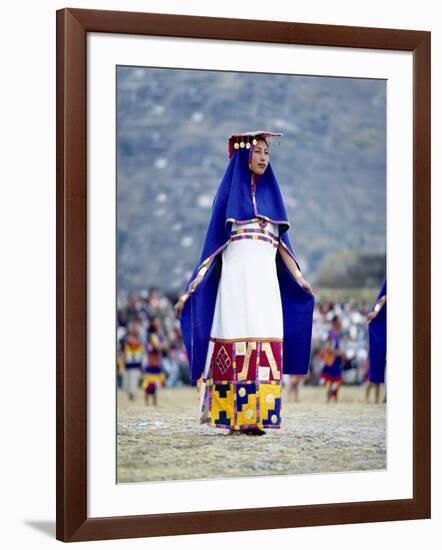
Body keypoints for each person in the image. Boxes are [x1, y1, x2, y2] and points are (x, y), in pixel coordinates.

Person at [175, 130, 315, 435]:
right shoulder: (227, 200)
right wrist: (196, 281)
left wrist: (300, 279)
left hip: (266, 286)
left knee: (263, 342)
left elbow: (283, 247)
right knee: (236, 340)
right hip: (236, 287)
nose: (264, 157)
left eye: (268, 152)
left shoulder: (273, 206)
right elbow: (212, 246)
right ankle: (233, 418)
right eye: (259, 151)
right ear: (244, 155)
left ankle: (256, 417)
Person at [366, 279, 387, 404]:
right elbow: (383, 297)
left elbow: (383, 297)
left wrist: (376, 311)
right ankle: (372, 399)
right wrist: (376, 311)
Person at [319, 315, 345, 402]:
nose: (340, 322)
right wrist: (339, 353)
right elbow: (328, 348)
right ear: (335, 323)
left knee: (335, 380)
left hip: (336, 359)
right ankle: (331, 397)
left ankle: (332, 397)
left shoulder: (338, 333)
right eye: (339, 321)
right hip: (332, 359)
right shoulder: (332, 334)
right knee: (335, 380)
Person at [143, 317, 167, 405]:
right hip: (151, 362)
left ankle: (154, 401)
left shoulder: (159, 334)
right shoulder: (150, 335)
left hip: (157, 362)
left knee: (156, 384)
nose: (158, 323)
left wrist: (160, 346)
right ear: (152, 323)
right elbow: (157, 347)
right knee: (149, 384)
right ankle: (147, 402)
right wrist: (160, 346)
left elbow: (165, 346)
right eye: (156, 322)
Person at [119, 322, 144, 401]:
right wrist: (122, 362)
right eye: (134, 329)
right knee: (126, 383)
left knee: (133, 380)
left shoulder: (140, 340)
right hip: (128, 363)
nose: (136, 331)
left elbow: (141, 352)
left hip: (136, 363)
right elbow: (122, 351)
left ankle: (132, 394)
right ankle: (130, 394)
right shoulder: (126, 339)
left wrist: (141, 363)